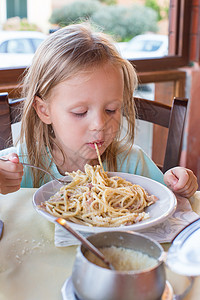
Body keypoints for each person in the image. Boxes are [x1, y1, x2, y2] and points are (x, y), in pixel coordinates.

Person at [0, 23, 198, 197]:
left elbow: (165, 201)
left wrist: (177, 185)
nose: (99, 125)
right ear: (44, 110)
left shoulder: (133, 162)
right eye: (80, 112)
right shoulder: (22, 163)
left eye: (111, 110)